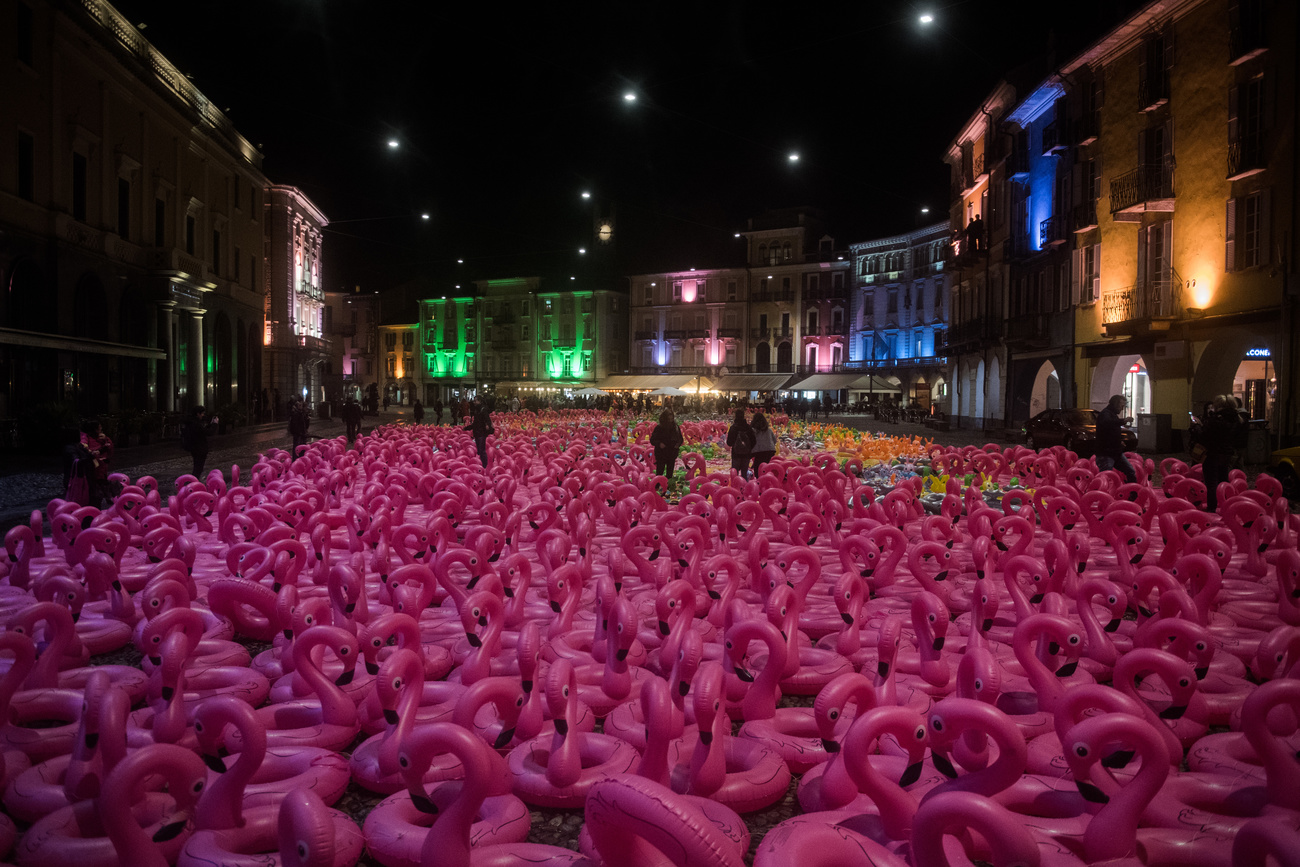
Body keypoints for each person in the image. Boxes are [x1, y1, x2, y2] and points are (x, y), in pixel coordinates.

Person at [1200, 394, 1241, 513]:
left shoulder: (1217, 419)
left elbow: (1205, 435)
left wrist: (1198, 427)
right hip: (1227, 452)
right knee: (1223, 479)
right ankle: (1227, 504)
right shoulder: (1237, 419)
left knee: (1211, 481)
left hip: (1213, 452)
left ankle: (1212, 507)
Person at [1095, 394, 1136, 484]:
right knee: (1105, 476)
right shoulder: (1105, 414)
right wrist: (1124, 420)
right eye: (1121, 406)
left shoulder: (1112, 414)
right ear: (1115, 404)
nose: (1122, 408)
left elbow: (1110, 431)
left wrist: (1118, 441)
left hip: (1115, 452)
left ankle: (1131, 492)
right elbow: (1108, 423)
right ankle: (1099, 494)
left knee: (1130, 471)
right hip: (1106, 453)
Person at [79, 419, 115, 507]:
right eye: (99, 428)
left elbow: (110, 449)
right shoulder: (85, 439)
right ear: (94, 429)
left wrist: (107, 441)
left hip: (101, 467)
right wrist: (99, 451)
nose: (101, 429)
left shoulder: (101, 438)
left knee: (101, 486)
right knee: (96, 489)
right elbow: (87, 452)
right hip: (93, 469)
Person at [180, 405, 216, 480]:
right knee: (198, 468)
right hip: (199, 448)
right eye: (202, 413)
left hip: (194, 448)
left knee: (197, 467)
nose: (203, 415)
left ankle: (194, 482)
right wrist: (215, 424)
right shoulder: (195, 424)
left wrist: (210, 425)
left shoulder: (190, 423)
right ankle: (194, 483)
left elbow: (202, 431)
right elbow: (208, 432)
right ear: (197, 414)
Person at [649, 410, 684, 481]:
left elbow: (680, 438)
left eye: (672, 419)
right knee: (660, 471)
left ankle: (668, 486)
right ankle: (657, 485)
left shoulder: (675, 427)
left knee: (670, 472)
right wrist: (659, 443)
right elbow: (652, 440)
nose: (670, 421)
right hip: (661, 453)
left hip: (672, 453)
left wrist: (678, 444)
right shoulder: (659, 428)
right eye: (669, 419)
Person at [726, 409, 755, 479]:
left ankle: (735, 488)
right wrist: (748, 447)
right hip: (746, 454)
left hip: (736, 454)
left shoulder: (733, 428)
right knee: (744, 474)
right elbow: (754, 441)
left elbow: (729, 443)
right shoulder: (748, 427)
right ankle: (744, 488)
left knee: (734, 474)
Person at [465, 400, 494, 468]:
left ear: (480, 401)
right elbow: (476, 423)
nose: (474, 402)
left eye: (476, 401)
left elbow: (487, 420)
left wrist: (487, 426)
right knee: (480, 450)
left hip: (481, 433)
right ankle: (482, 464)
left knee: (482, 450)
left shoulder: (483, 410)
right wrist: (468, 428)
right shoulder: (477, 410)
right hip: (477, 432)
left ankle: (485, 465)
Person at [750, 412, 777, 477]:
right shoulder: (769, 430)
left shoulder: (753, 430)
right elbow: (775, 441)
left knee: (758, 468)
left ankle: (759, 480)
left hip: (758, 451)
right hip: (770, 450)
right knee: (767, 467)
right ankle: (768, 479)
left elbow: (750, 441)